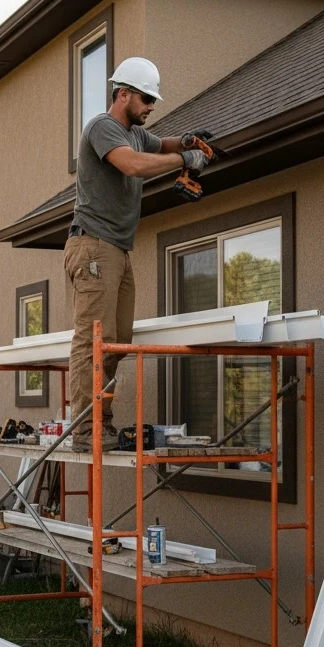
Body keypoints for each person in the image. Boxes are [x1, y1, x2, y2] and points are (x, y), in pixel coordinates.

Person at [64, 56, 209, 452]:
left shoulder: (135, 132)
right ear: (122, 93)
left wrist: (186, 141)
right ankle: (84, 430)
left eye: (153, 102)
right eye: (146, 99)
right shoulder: (103, 128)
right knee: (94, 340)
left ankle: (101, 423)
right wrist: (184, 160)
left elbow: (159, 143)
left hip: (117, 249)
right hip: (93, 244)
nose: (150, 107)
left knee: (117, 340)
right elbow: (132, 165)